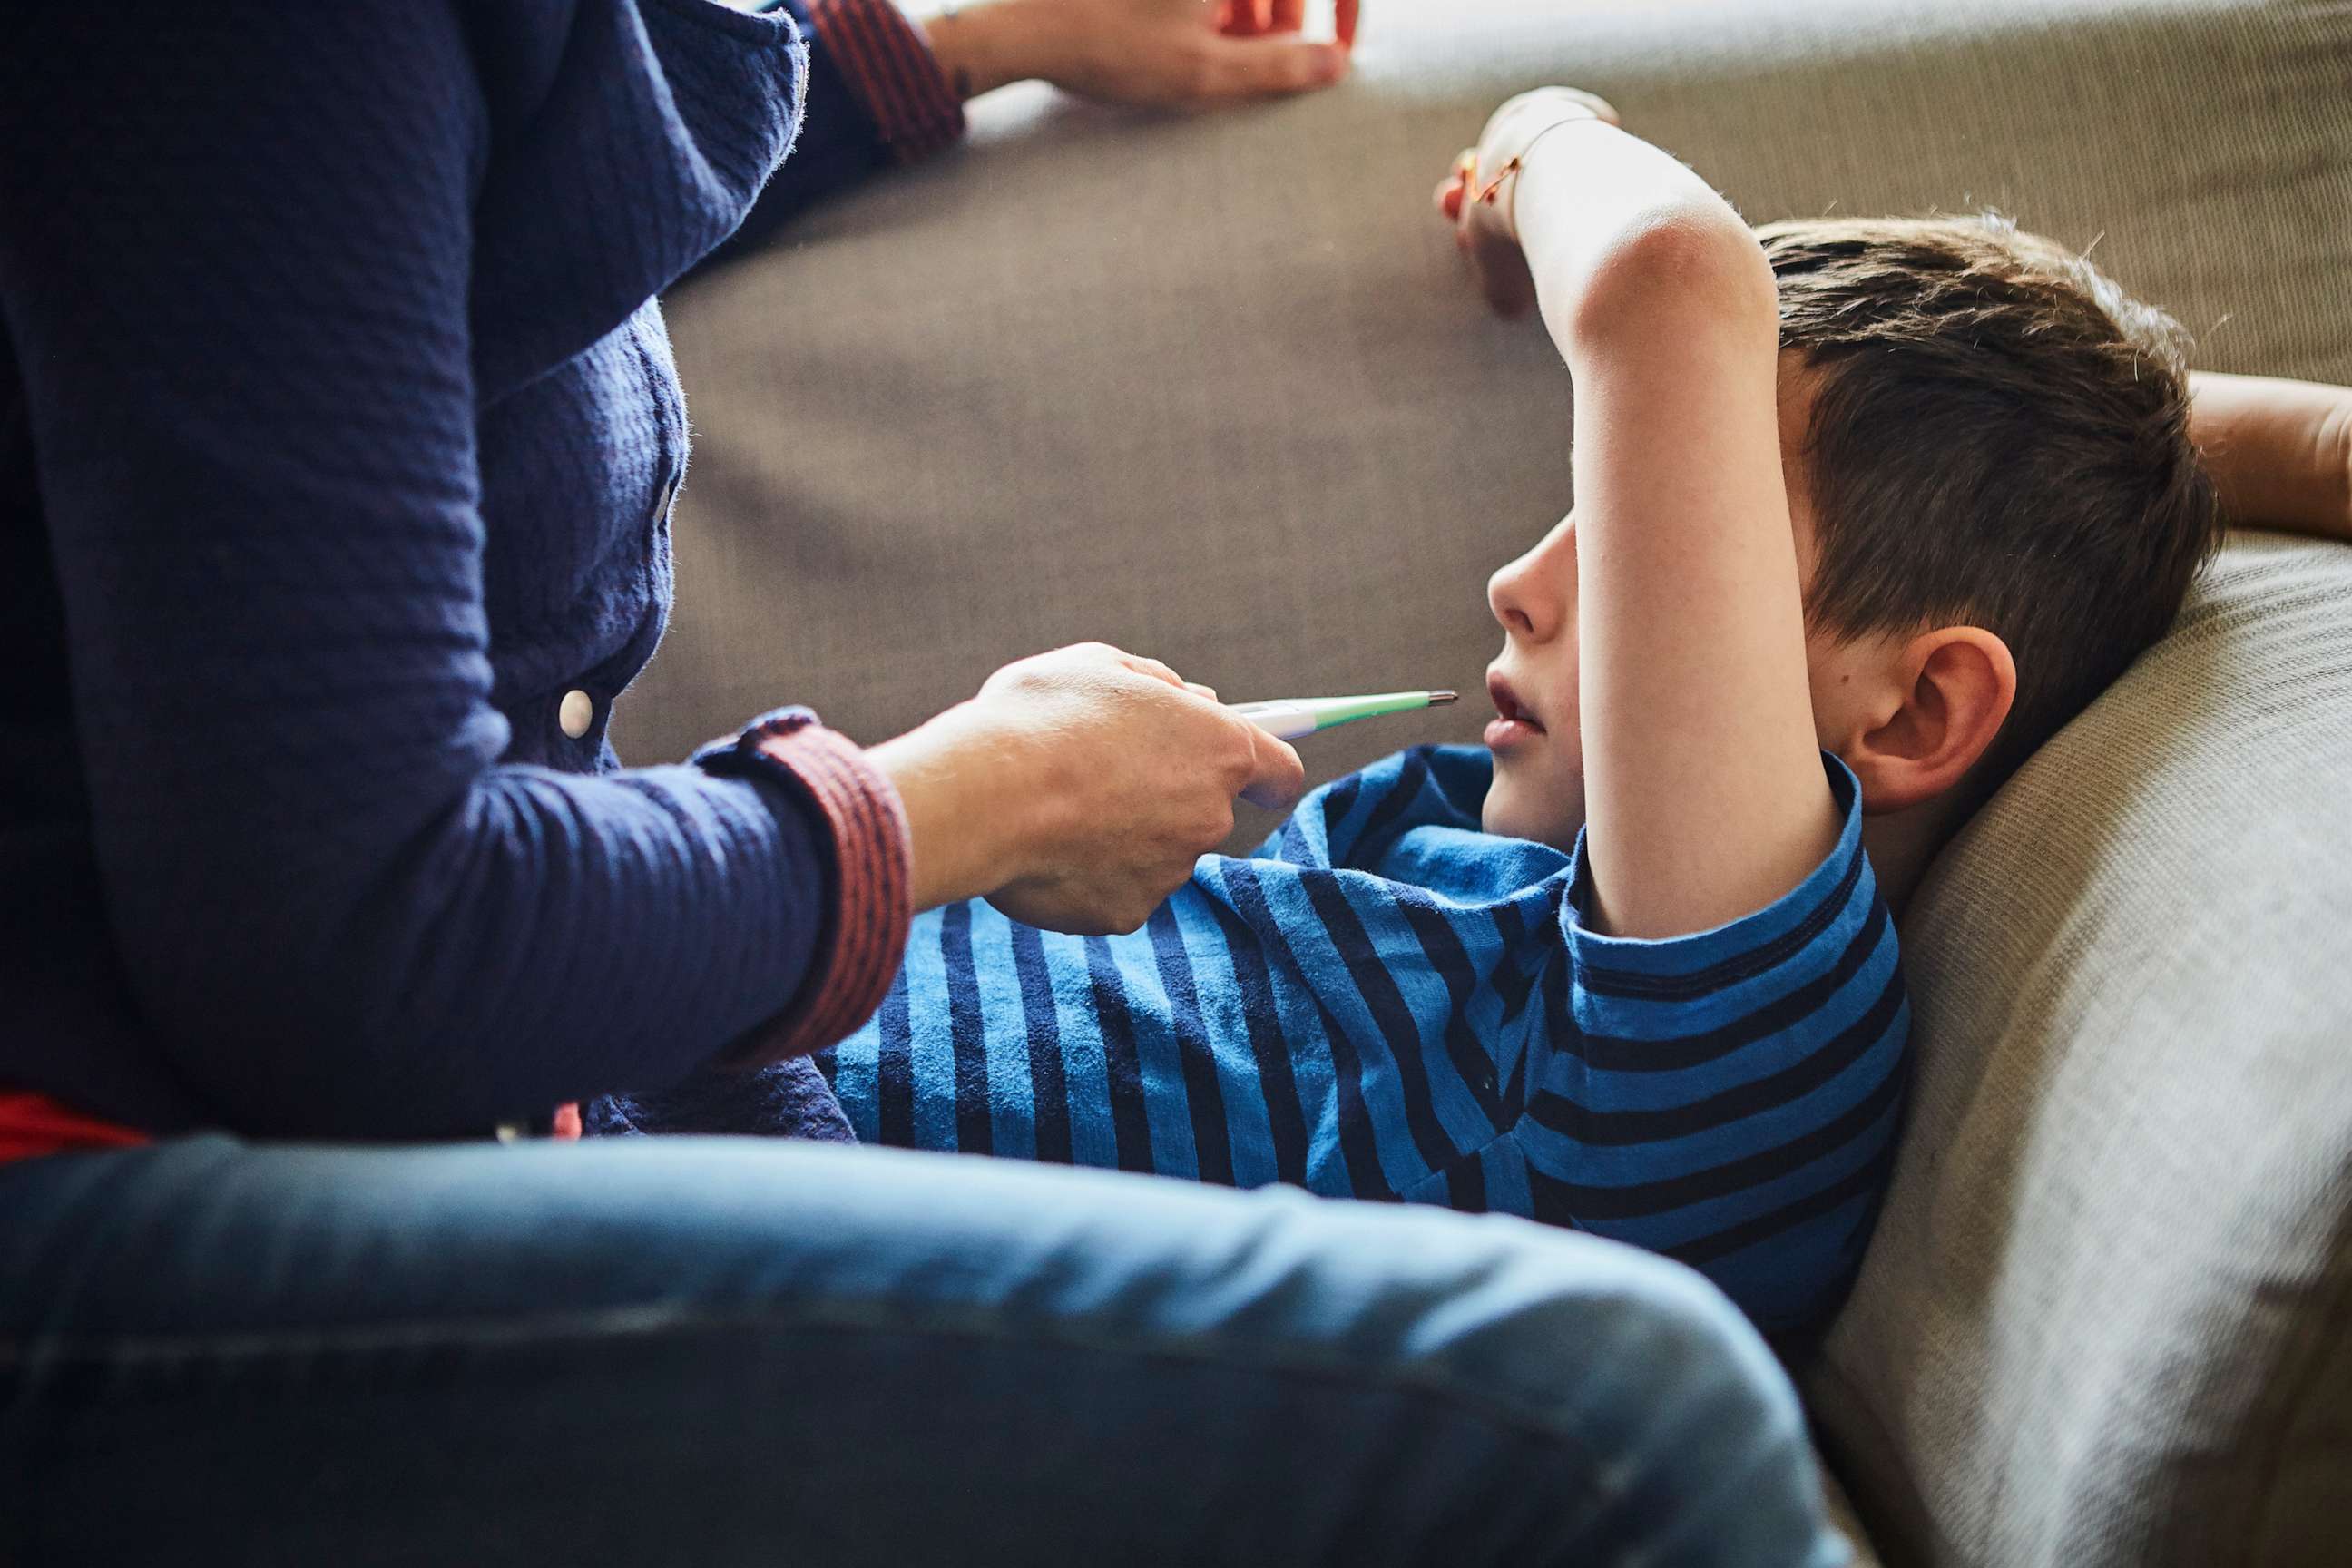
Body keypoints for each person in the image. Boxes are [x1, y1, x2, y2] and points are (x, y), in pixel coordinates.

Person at [0, 10, 1864, 1566]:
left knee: (1632, 1415)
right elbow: (363, 934)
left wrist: (961, 47)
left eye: (1636, 541)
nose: (1523, 580)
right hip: (176, 1161)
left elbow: (452, 184)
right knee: (1621, 1434)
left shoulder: (1687, 1023)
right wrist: (970, 801)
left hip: (557, 1120)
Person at [714, 92, 2352, 1337]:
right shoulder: (1490, 851)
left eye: (1645, 550)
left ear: (1918, 708)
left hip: (701, 1203)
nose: (1520, 580)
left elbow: (1667, 283)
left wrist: (1537, 134)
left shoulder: (1725, 1043)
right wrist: (2190, 445)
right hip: (673, 1031)